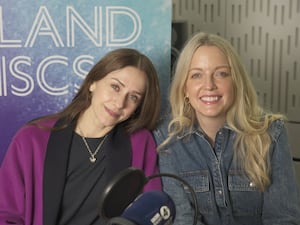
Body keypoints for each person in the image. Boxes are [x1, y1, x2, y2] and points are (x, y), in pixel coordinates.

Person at [0, 48, 162, 225]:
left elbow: (150, 211)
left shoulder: (140, 142)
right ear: (93, 82)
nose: (119, 103)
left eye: (133, 97)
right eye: (115, 87)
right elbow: (6, 214)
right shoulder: (32, 139)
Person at [154, 32, 300, 225]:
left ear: (236, 83)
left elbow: (283, 219)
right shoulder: (166, 139)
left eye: (221, 73)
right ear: (184, 88)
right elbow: (183, 219)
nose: (209, 85)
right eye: (196, 75)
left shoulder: (271, 132)